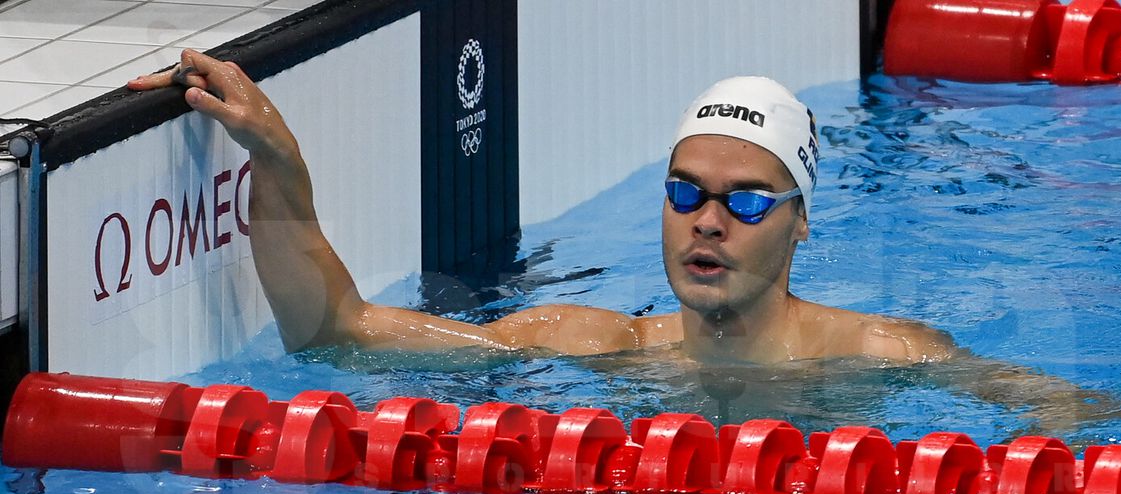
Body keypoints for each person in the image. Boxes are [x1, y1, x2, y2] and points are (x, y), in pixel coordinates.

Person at [128, 51, 955, 367]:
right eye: (685, 192)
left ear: (799, 218)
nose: (708, 221)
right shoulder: (590, 345)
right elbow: (334, 330)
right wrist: (279, 158)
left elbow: (1061, 425)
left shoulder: (886, 356)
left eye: (744, 201)